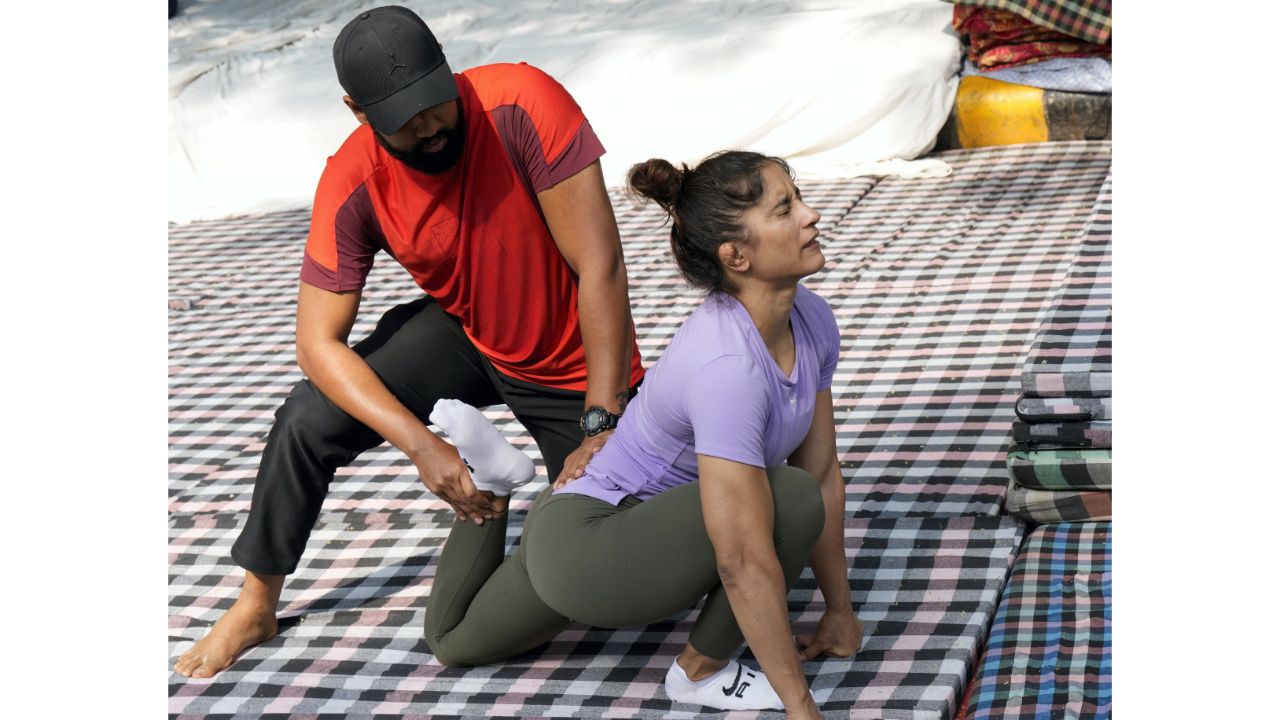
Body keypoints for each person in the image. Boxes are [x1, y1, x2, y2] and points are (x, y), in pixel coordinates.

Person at [173, 5, 645, 679]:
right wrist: (422, 445)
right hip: (467, 331)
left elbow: (600, 266)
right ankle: (256, 602)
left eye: (434, 102)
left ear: (447, 66)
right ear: (357, 112)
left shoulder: (522, 102)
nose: (429, 126)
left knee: (620, 580)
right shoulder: (353, 179)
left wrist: (603, 419)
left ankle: (518, 491)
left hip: (570, 354)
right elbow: (317, 344)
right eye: (404, 118)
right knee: (306, 417)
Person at [414, 151, 864, 719]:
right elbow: (742, 559)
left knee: (453, 641)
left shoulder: (813, 320)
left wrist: (839, 613)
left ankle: (495, 484)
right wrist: (801, 707)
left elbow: (821, 474)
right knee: (786, 499)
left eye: (796, 198)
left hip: (596, 523)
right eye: (785, 209)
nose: (810, 215)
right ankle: (700, 673)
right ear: (736, 256)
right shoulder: (726, 366)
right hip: (590, 543)